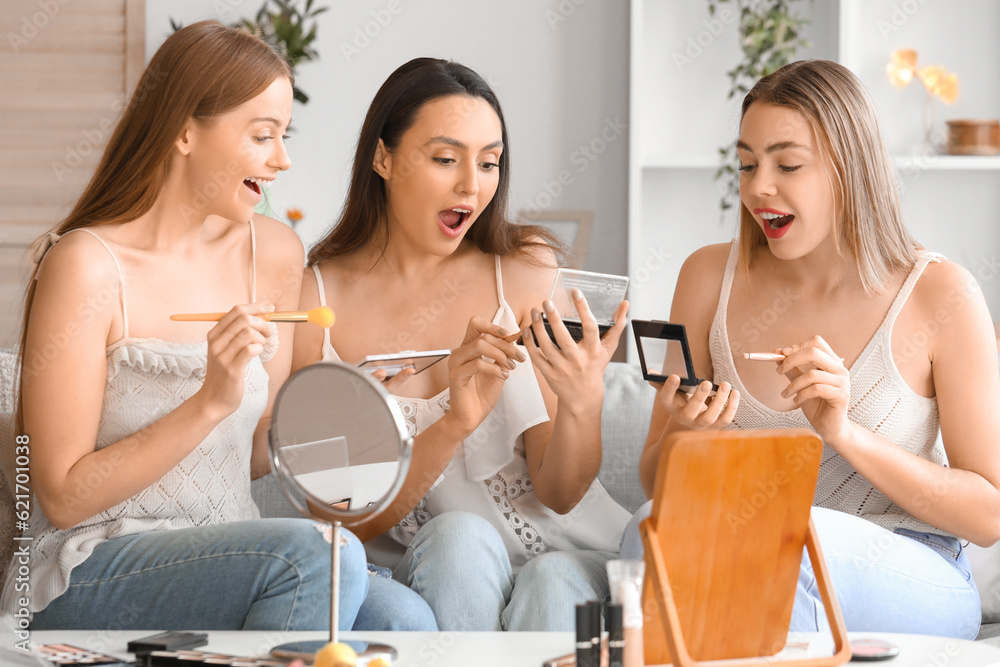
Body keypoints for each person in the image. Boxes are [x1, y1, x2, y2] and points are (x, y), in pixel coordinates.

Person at [0, 20, 419, 632]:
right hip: (86, 561)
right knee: (316, 558)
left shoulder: (272, 253)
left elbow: (252, 455)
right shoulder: (87, 266)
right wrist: (208, 401)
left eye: (284, 134)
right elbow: (62, 498)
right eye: (261, 135)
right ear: (184, 132)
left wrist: (340, 410)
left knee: (402, 618)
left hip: (229, 546)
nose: (283, 159)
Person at [621, 59, 996, 639]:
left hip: (914, 568)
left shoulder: (941, 294)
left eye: (787, 164)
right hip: (754, 547)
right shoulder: (706, 277)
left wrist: (844, 432)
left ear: (850, 169)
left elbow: (988, 514)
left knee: (778, 546)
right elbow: (655, 480)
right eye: (746, 164)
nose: (758, 186)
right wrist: (684, 438)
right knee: (649, 526)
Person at [293, 57, 632, 631]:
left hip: (557, 560)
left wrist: (584, 400)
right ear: (383, 157)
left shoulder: (522, 271)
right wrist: (453, 422)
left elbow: (560, 493)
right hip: (428, 577)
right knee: (458, 537)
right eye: (446, 159)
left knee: (544, 582)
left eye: (490, 162)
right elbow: (340, 524)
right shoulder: (314, 303)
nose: (471, 185)